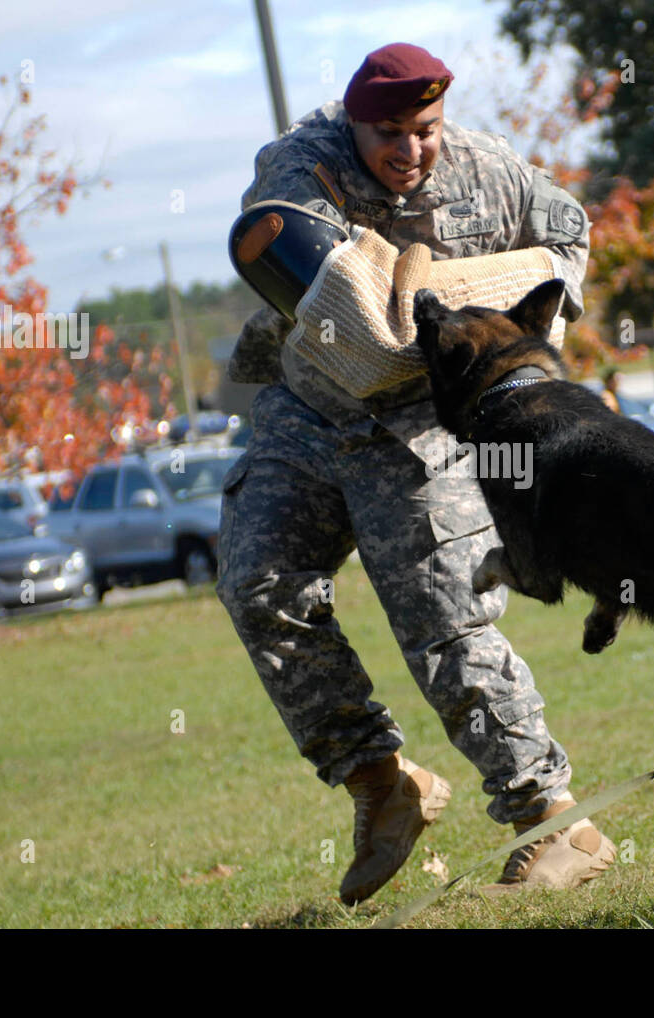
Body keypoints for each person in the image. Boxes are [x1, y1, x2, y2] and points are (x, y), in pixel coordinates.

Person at [217, 42, 615, 906]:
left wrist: (523, 302)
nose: (409, 151)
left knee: (445, 620)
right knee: (257, 582)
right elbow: (315, 282)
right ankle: (379, 780)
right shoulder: (299, 166)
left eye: (425, 130)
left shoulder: (488, 170)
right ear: (353, 121)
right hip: (313, 407)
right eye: (388, 133)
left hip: (418, 423)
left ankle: (555, 823)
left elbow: (567, 236)